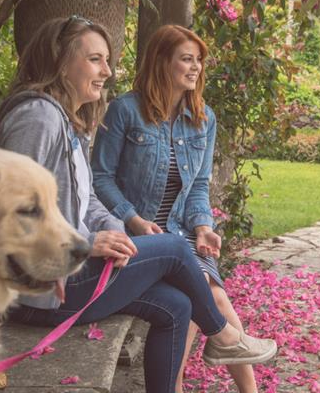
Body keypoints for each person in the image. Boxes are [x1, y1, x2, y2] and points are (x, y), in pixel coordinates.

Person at [0, 16, 276, 393]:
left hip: (63, 270)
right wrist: (87, 240)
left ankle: (221, 342)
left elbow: (87, 195)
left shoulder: (64, 120)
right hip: (39, 288)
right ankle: (224, 336)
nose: (107, 72)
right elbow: (7, 213)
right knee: (177, 249)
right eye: (96, 60)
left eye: (106, 61)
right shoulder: (39, 118)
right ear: (61, 61)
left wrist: (109, 226)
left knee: (177, 306)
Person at [91, 25, 259, 393]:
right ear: (161, 61)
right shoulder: (125, 111)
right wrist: (134, 219)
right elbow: (100, 178)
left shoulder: (203, 118)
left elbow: (198, 186)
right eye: (186, 58)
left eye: (199, 60)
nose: (196, 67)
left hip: (182, 235)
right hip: (136, 236)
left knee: (205, 293)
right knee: (202, 296)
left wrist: (202, 226)